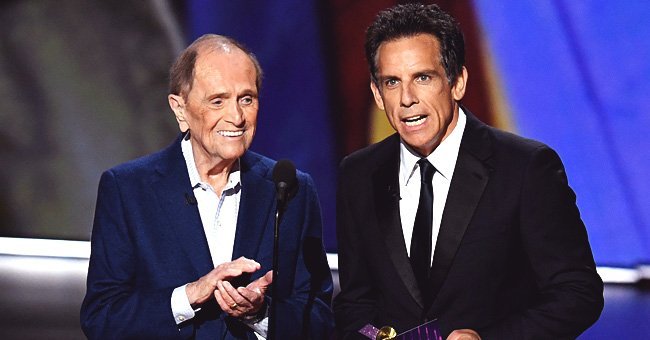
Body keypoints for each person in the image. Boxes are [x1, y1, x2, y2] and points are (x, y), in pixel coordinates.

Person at [333, 4, 603, 339]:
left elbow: (577, 293)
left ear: (458, 82)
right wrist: (374, 337)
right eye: (391, 82)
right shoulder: (358, 174)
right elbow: (354, 302)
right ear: (377, 94)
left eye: (423, 78)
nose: (407, 99)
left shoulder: (526, 168)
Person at [80, 34, 334, 339]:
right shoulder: (127, 190)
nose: (237, 117)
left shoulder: (291, 190)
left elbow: (319, 318)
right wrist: (189, 296)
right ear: (180, 109)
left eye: (247, 99)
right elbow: (102, 318)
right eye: (218, 100)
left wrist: (260, 313)